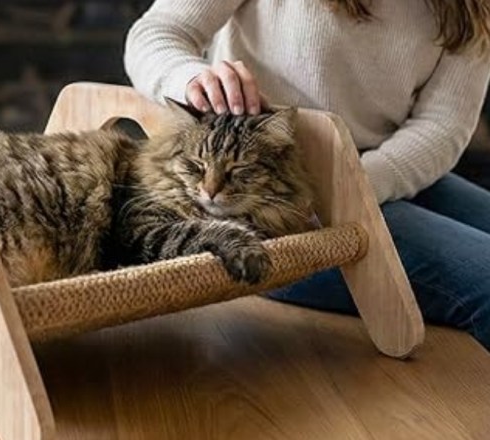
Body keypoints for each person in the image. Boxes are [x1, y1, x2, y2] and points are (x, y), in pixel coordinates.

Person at [124, 0, 490, 349]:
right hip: (271, 199)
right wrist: (191, 79)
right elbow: (156, 33)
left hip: (384, 168)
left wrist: (354, 184)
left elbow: (443, 125)